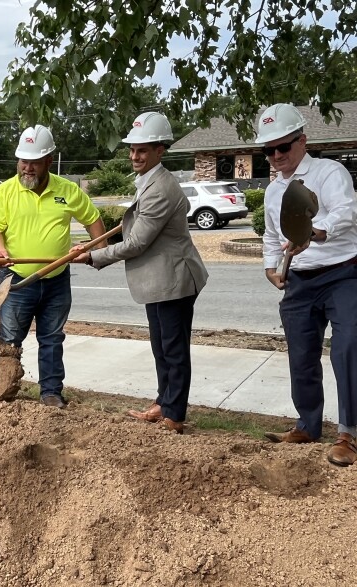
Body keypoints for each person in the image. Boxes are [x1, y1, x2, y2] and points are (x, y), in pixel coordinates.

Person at [71, 112, 209, 433]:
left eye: (142, 150)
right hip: (158, 280)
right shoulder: (148, 181)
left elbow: (136, 244)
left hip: (174, 279)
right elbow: (133, 227)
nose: (135, 156)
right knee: (160, 346)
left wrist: (93, 257)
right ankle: (164, 401)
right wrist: (89, 245)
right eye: (132, 149)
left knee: (173, 349)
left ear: (160, 150)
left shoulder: (161, 187)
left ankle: (175, 414)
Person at [255, 103, 357, 466]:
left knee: (348, 349)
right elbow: (271, 236)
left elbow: (346, 211)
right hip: (300, 281)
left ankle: (350, 434)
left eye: (284, 146)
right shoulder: (272, 191)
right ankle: (308, 426)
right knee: (301, 356)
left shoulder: (330, 172)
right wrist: (271, 268)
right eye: (269, 150)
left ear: (303, 140)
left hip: (343, 273)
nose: (277, 155)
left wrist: (315, 231)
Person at [0, 124, 106, 408]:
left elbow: (92, 219)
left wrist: (98, 250)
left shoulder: (67, 191)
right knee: (9, 340)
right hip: (17, 280)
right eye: (23, 161)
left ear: (49, 161)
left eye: (34, 162)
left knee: (52, 338)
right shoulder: (5, 192)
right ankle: (2, 392)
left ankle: (51, 393)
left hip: (56, 280)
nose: (27, 168)